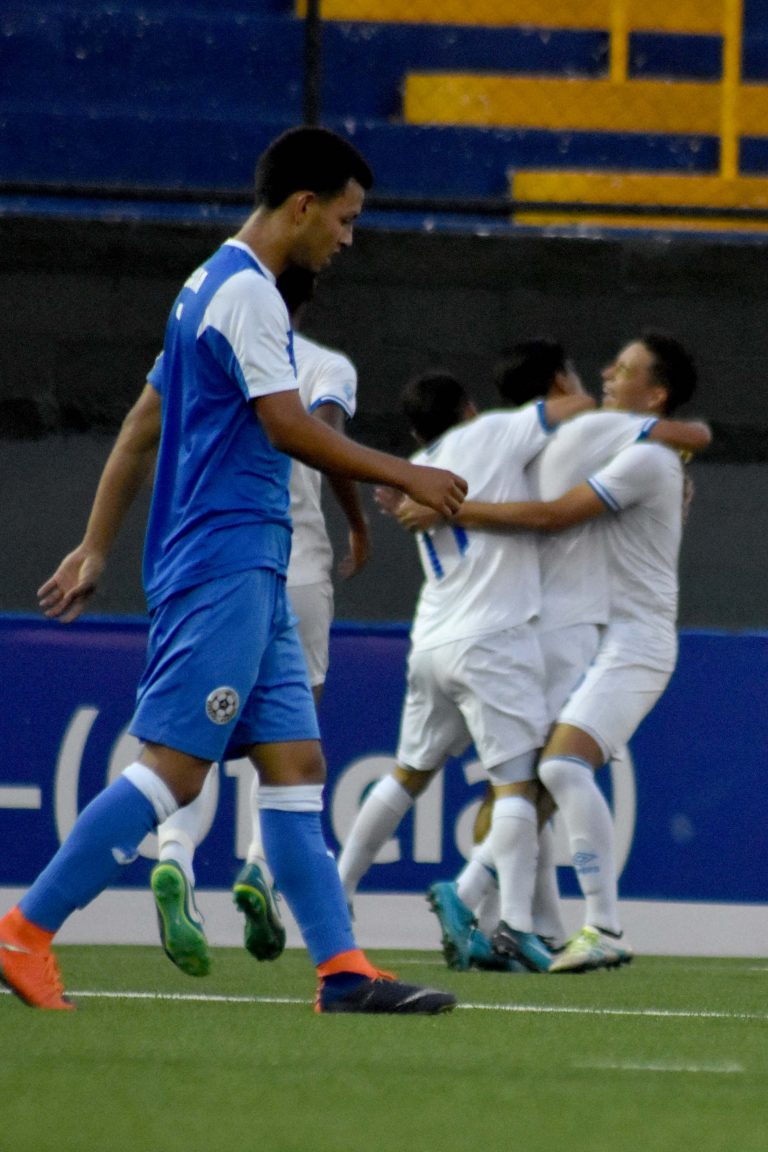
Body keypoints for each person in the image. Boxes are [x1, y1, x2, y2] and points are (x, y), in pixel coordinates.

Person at [0, 125, 466, 1014]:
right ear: (304, 206)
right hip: (221, 559)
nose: (348, 237)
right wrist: (407, 472)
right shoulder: (248, 292)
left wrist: (96, 545)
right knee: (176, 769)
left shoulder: (204, 285)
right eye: (345, 218)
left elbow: (142, 424)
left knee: (295, 763)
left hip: (253, 560)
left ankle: (342, 973)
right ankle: (25, 929)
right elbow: (288, 427)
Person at [402, 332, 706, 973]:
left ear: (656, 395)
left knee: (557, 771)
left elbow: (550, 515)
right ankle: (487, 910)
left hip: (635, 642)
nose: (607, 372)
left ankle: (601, 926)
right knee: (536, 780)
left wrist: (450, 509)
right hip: (602, 638)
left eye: (625, 368)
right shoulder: (629, 451)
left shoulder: (645, 460)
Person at [336, 366, 596, 973]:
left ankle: (339, 888)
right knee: (516, 787)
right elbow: (576, 409)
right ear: (469, 407)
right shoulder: (495, 432)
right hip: (492, 638)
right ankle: (517, 928)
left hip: (432, 638)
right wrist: (570, 390)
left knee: (407, 775)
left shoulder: (417, 466)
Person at [151, 265, 372, 977]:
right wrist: (358, 519)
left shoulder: (205, 342)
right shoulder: (325, 365)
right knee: (289, 746)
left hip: (207, 562)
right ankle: (257, 867)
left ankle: (175, 856)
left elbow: (146, 435)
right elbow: (326, 438)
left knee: (190, 738)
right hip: (295, 567)